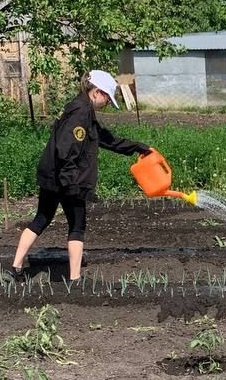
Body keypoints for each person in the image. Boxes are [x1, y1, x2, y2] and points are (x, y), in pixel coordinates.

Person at [10, 70, 151, 283]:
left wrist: (136, 147)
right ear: (96, 92)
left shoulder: (77, 107)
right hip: (66, 178)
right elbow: (66, 148)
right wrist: (69, 183)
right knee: (77, 225)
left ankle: (16, 267)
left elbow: (103, 137)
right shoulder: (81, 112)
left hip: (51, 175)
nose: (106, 103)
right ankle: (75, 279)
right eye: (106, 98)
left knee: (42, 218)